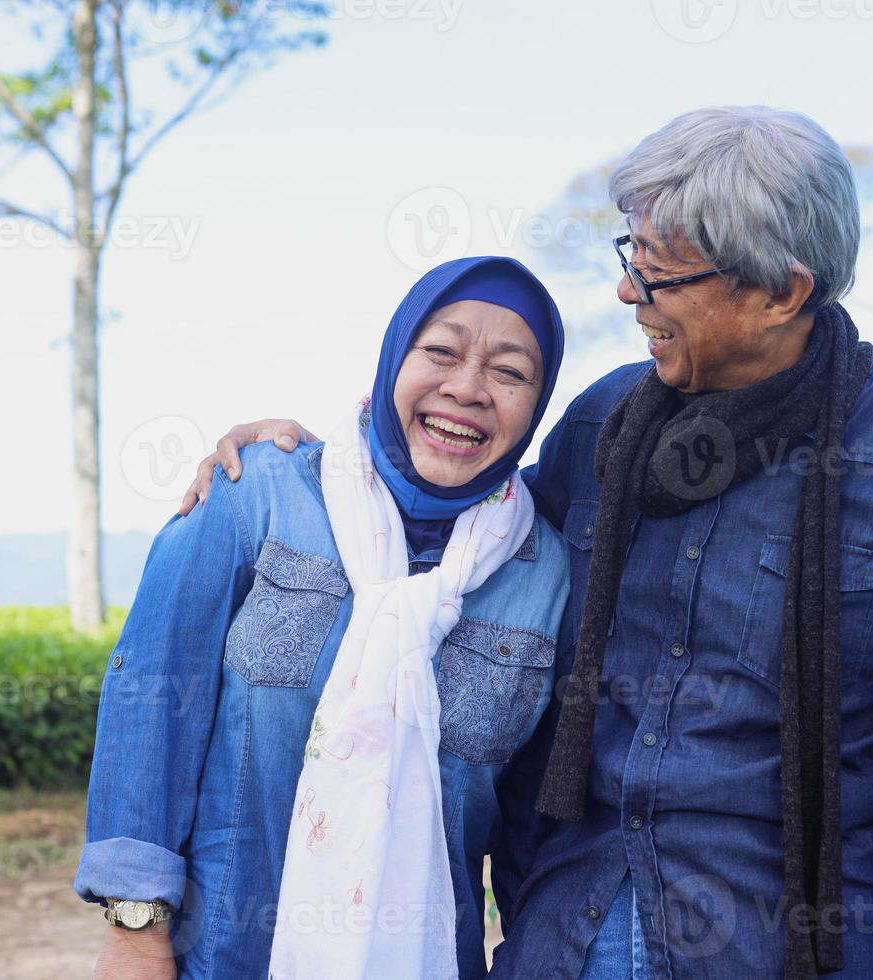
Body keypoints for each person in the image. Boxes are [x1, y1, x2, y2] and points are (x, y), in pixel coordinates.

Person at [183, 106, 873, 979]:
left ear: (782, 294)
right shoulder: (602, 427)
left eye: (660, 274)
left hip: (778, 945)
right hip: (562, 933)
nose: (629, 294)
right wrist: (306, 469)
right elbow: (456, 548)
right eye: (632, 257)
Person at [75, 255, 569, 979]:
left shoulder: (548, 575)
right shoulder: (256, 493)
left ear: (539, 401)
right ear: (394, 355)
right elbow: (150, 704)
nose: (466, 389)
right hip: (219, 957)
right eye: (440, 351)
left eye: (510, 372)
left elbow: (534, 826)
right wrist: (133, 927)